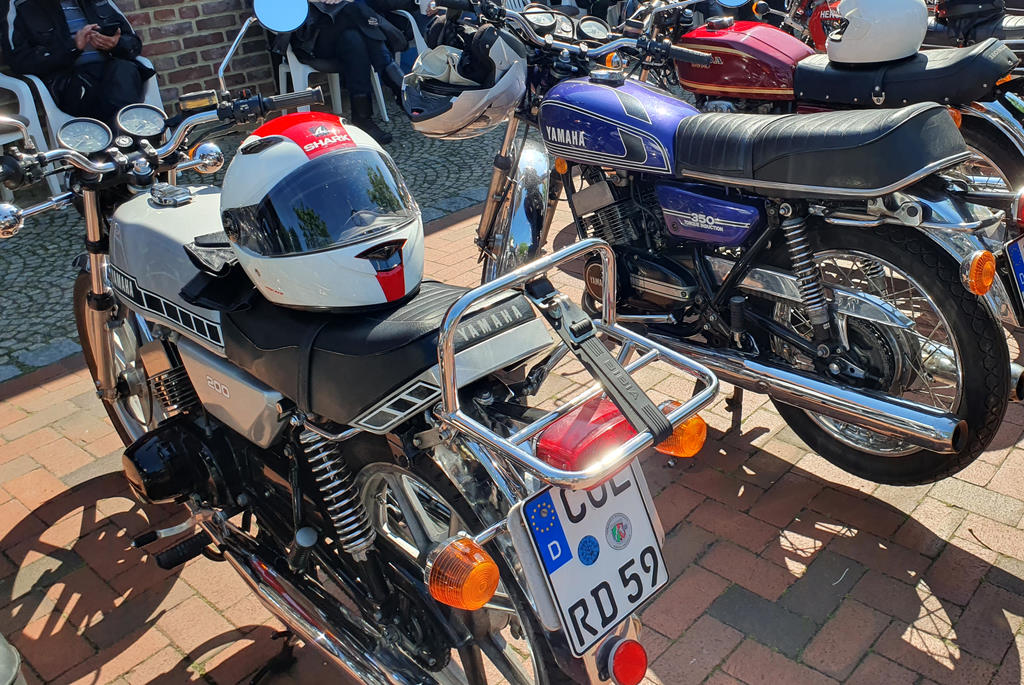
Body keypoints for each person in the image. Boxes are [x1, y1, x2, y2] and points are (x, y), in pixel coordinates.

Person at [2, 0, 153, 126]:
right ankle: (131, 139)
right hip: (69, 81)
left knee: (124, 71)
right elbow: (19, 61)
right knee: (114, 92)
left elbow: (133, 43)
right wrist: (72, 47)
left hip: (113, 73)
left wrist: (115, 44)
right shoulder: (20, 4)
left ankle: (120, 141)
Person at [292, 0, 407, 145]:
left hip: (348, 34)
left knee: (353, 39)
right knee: (353, 9)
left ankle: (362, 118)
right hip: (313, 38)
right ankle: (403, 91)